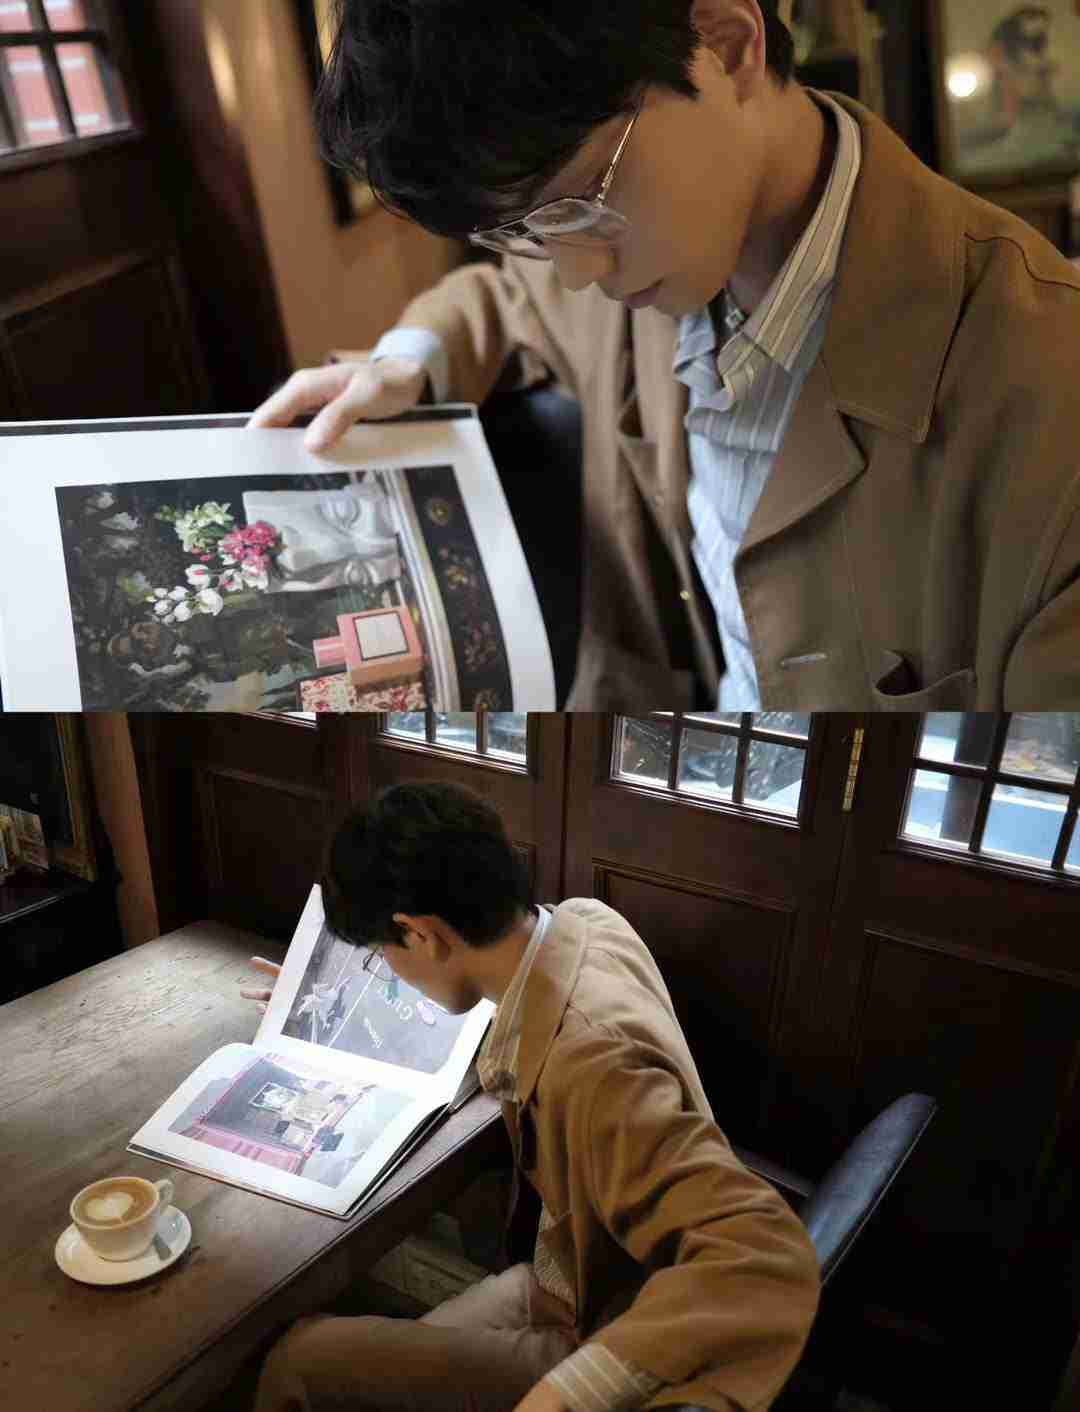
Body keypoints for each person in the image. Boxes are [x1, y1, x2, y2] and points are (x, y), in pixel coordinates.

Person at [248, 0, 1080, 711]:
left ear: (726, 42)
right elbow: (498, 295)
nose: (575, 272)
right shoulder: (644, 257)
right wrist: (405, 361)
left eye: (580, 202)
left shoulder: (1044, 391)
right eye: (522, 229)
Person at [243, 780, 820, 1412]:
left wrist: (564, 1395)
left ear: (419, 933)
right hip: (558, 1278)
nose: (390, 970)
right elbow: (516, 1007)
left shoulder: (594, 1062)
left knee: (299, 1360)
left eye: (382, 955)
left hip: (599, 1327)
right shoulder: (587, 924)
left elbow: (762, 1255)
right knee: (368, 1365)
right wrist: (323, 1014)